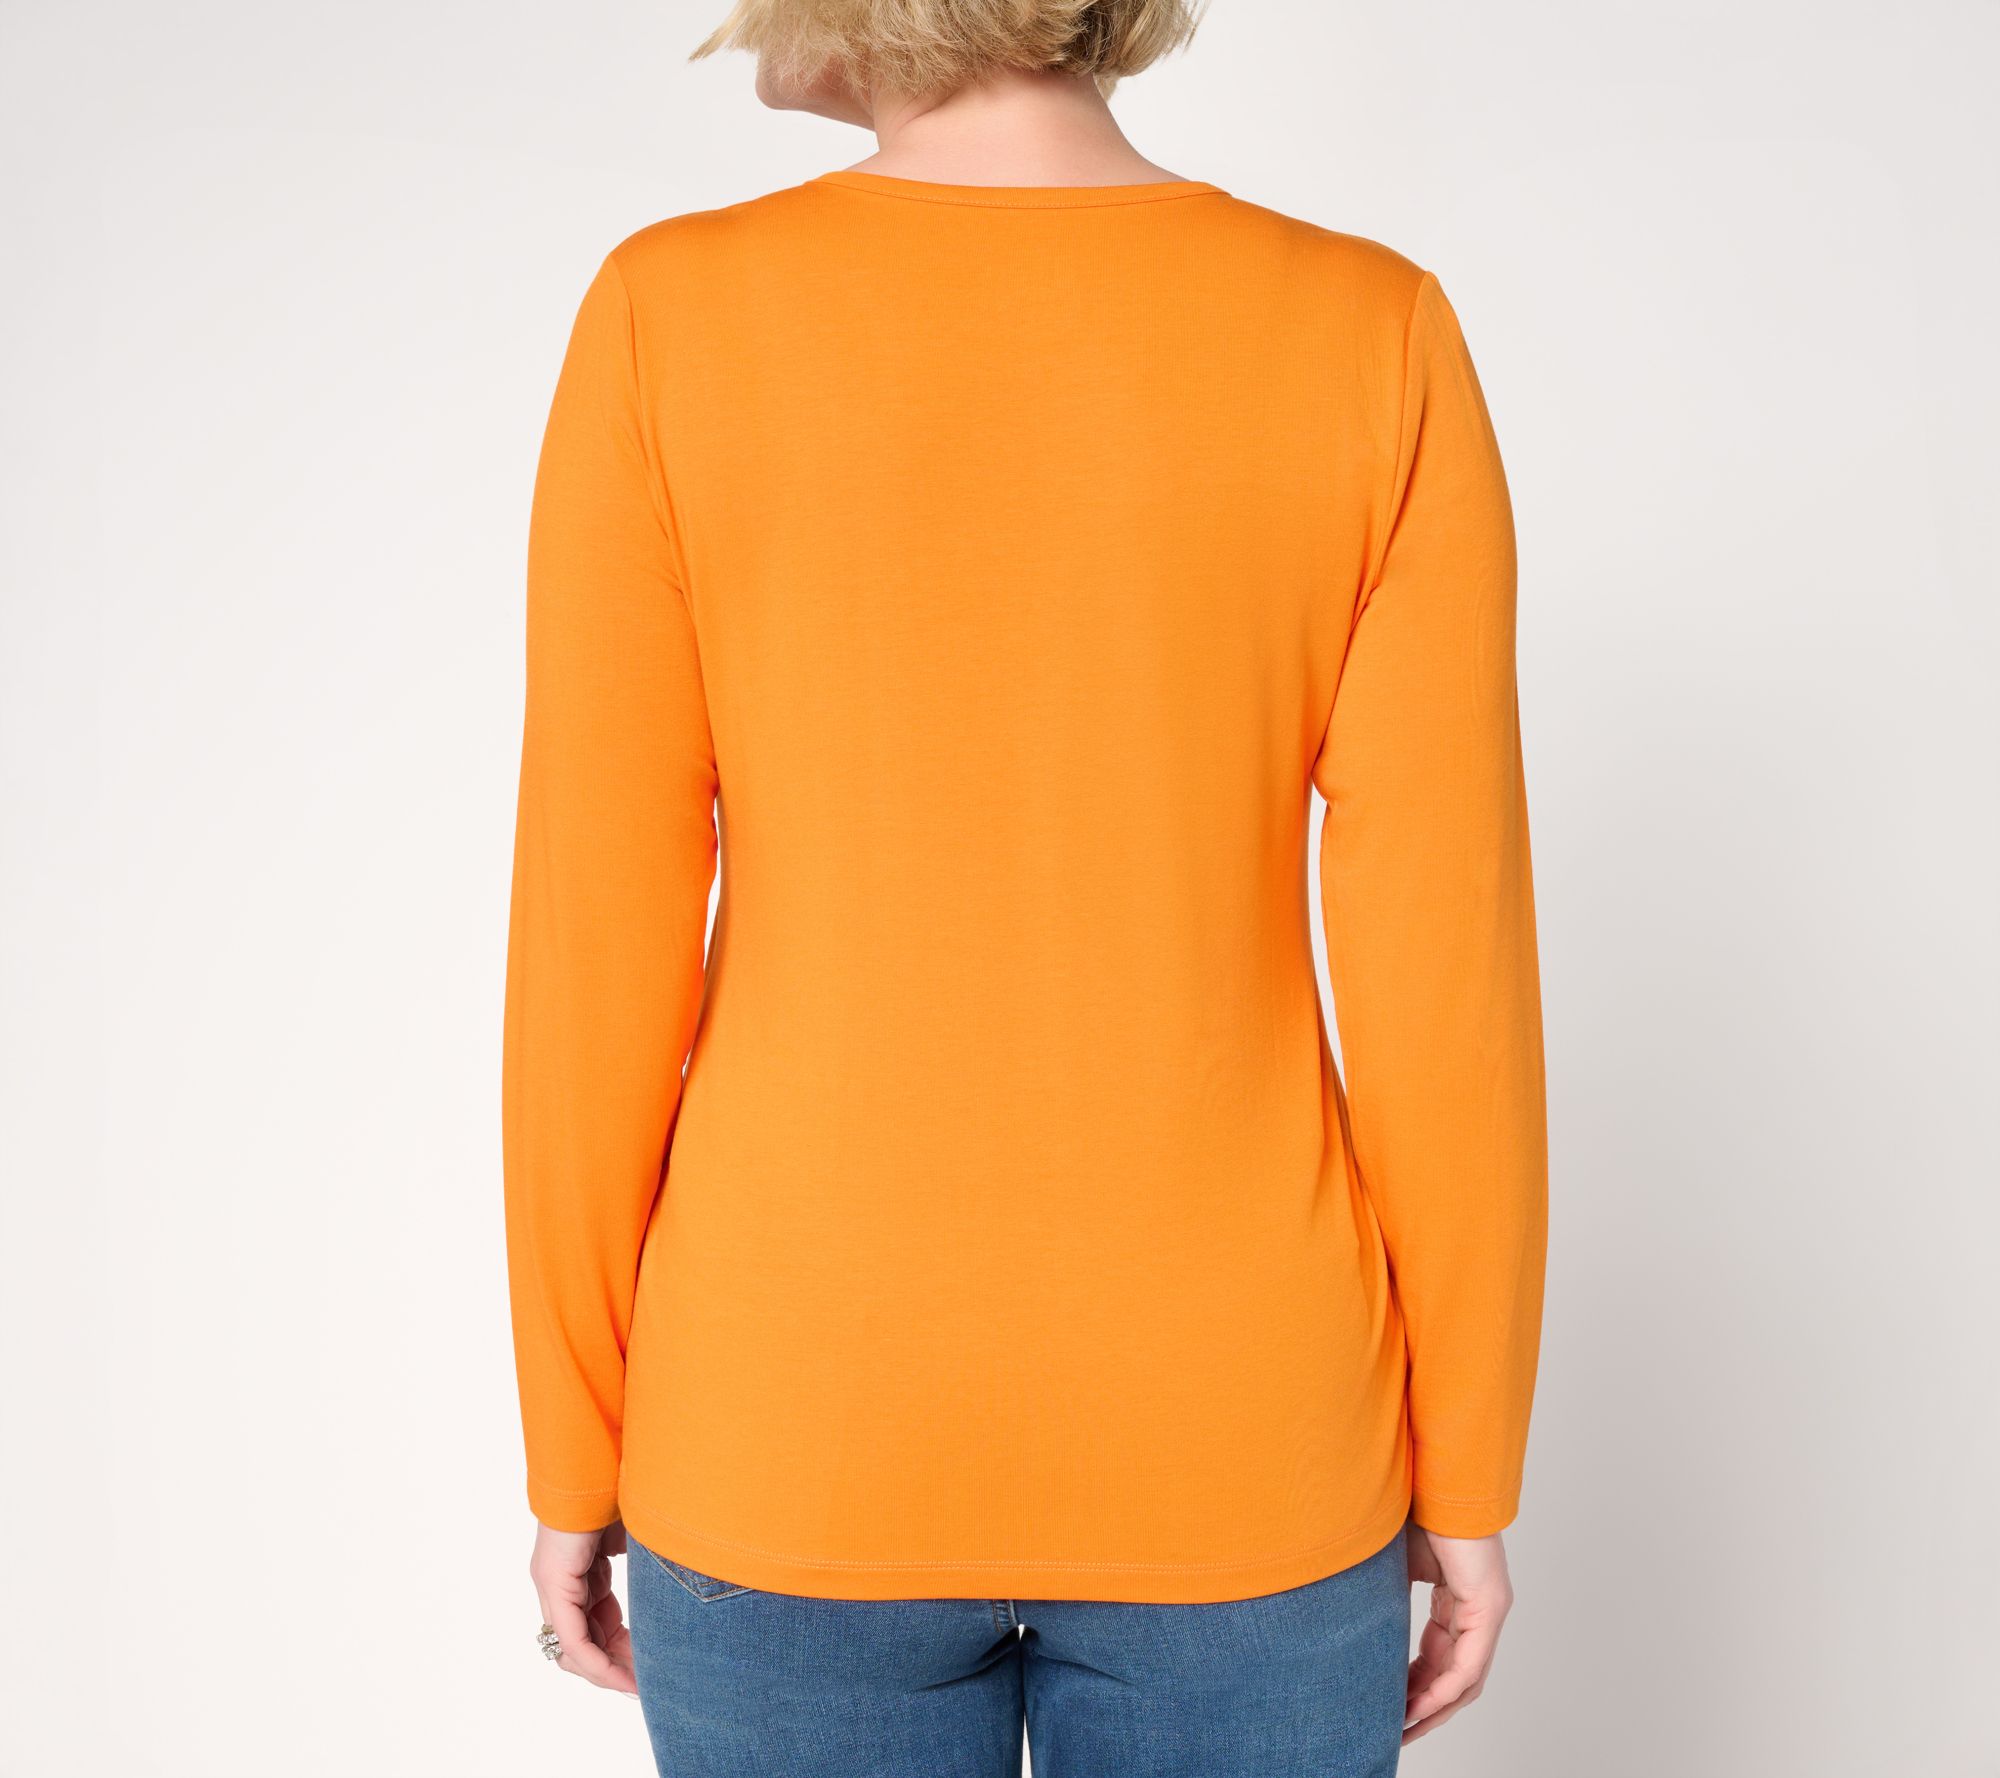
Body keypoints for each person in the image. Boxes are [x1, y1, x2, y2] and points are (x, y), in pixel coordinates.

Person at [503, 2, 1548, 1772]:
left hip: (790, 1423)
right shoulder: (1369, 329)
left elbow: (592, 948)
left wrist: (572, 1442)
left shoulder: (668, 318)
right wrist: (1469, 1472)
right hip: (1246, 1437)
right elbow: (1446, 978)